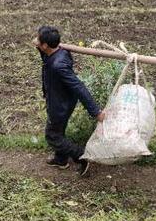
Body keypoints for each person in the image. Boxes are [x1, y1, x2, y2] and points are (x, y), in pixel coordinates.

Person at [33, 26, 105, 176]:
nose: (36, 40)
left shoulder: (58, 66)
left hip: (59, 105)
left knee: (52, 135)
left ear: (46, 45)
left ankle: (82, 157)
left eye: (38, 39)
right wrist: (39, 47)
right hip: (64, 100)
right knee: (58, 130)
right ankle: (61, 159)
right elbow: (45, 56)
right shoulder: (60, 52)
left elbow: (79, 87)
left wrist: (96, 111)